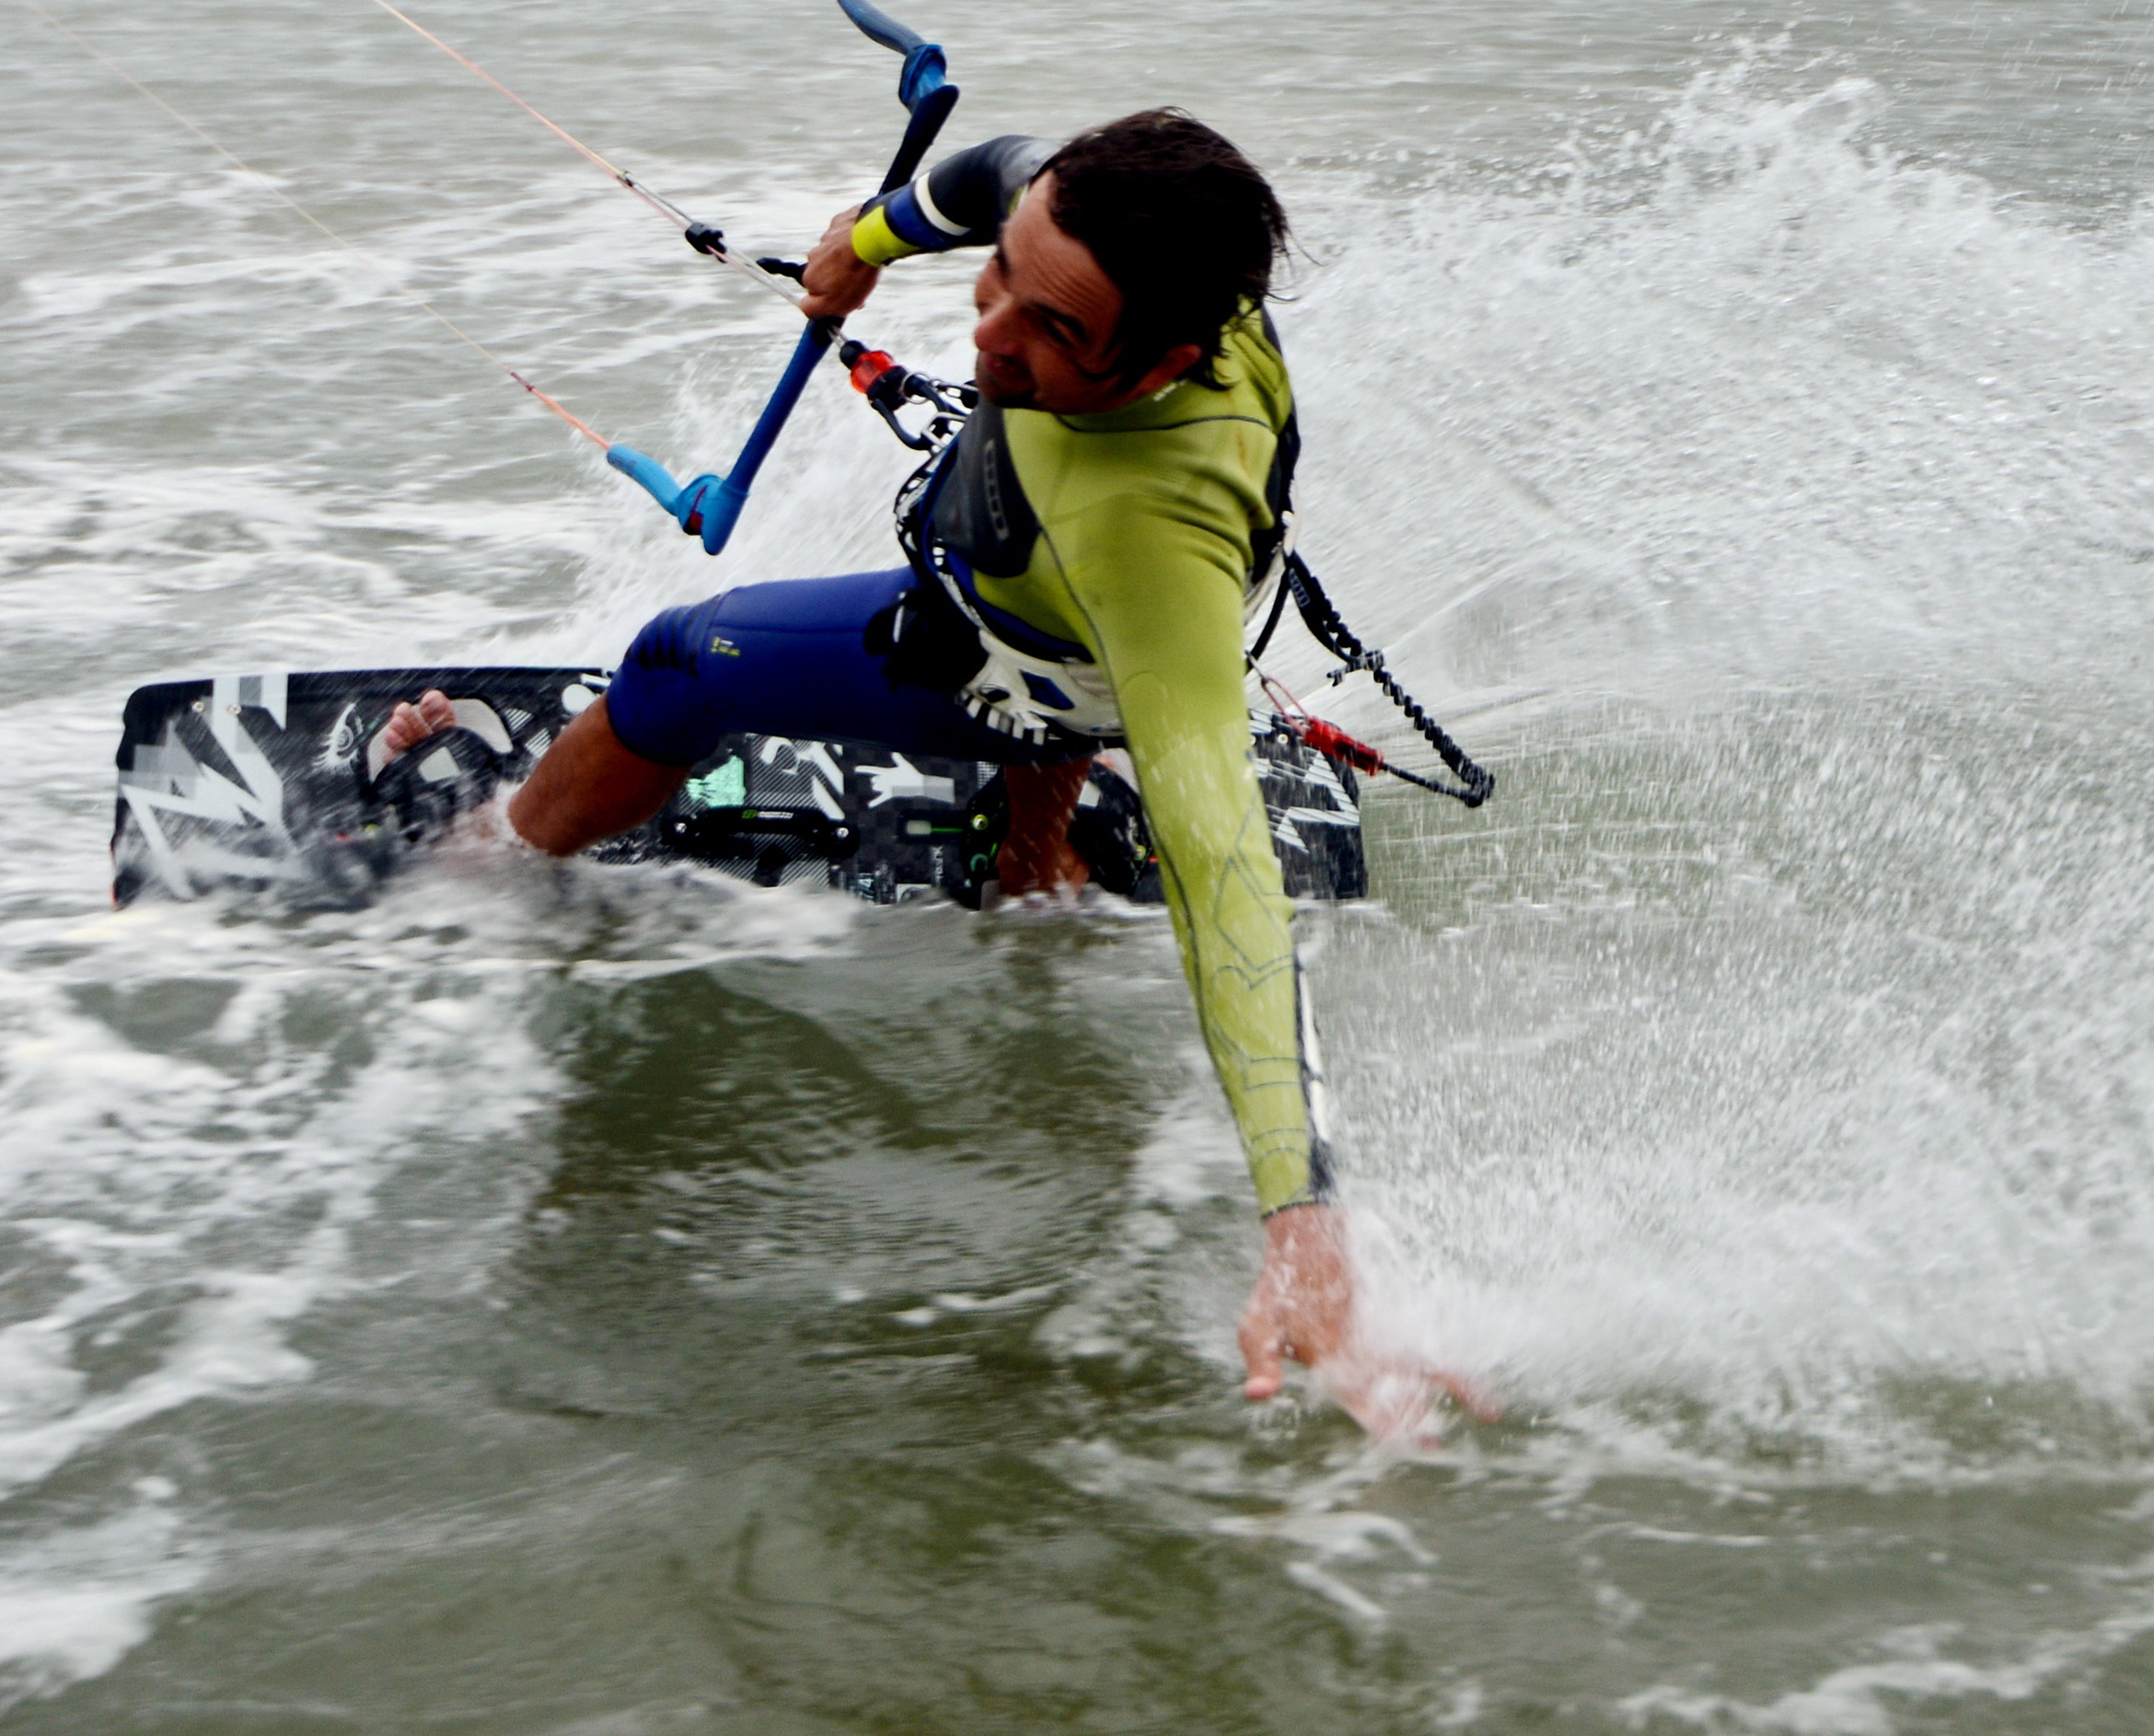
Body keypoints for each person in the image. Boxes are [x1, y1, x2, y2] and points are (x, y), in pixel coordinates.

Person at [377, 109, 1481, 1436]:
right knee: (1031, 559)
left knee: (683, 661)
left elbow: (1226, 871)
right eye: (1003, 269)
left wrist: (1302, 1215)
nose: (989, 329)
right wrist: (872, 238)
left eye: (1051, 328)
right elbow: (995, 165)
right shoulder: (1128, 253)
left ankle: (497, 853)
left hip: (1044, 652)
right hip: (1067, 602)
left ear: (1171, 361)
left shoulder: (1150, 542)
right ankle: (1034, 875)